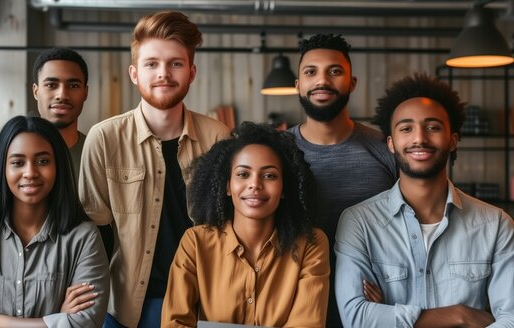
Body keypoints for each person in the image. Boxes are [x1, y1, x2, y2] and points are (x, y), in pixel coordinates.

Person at [78, 11, 230, 327]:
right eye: (152, 64)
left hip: (202, 304)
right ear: (134, 73)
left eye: (175, 63)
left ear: (191, 71)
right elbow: (91, 232)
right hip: (123, 308)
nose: (164, 73)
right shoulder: (104, 138)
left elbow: (230, 228)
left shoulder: (219, 138)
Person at [335, 73, 514, 327]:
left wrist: (390, 314)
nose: (419, 138)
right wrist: (460, 315)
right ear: (391, 143)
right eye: (406, 128)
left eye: (433, 127)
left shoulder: (495, 225)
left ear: (452, 140)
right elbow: (357, 318)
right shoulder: (360, 222)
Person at [0, 116, 109, 327]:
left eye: (43, 161)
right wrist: (55, 321)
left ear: (58, 166)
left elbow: (85, 323)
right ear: (2, 169)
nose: (30, 173)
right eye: (17, 163)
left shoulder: (84, 238)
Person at [162, 122, 329, 327]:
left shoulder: (311, 244)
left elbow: (307, 324)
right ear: (227, 186)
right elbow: (175, 322)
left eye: (269, 175)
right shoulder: (195, 243)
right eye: (243, 174)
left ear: (285, 188)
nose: (255, 184)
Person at [289, 33, 397, 327]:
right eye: (311, 72)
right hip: (293, 304)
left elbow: (415, 223)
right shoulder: (277, 155)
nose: (322, 81)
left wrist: (399, 291)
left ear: (352, 83)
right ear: (298, 85)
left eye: (335, 71)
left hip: (373, 306)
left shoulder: (385, 150)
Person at [0, 47, 89, 197]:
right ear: (36, 91)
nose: (62, 94)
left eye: (73, 85)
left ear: (85, 92)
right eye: (51, 85)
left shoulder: (99, 156)